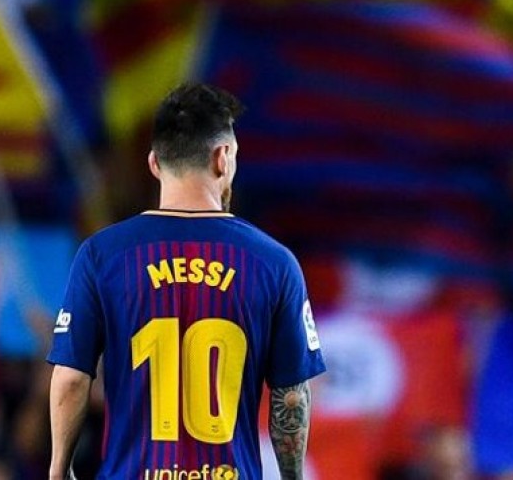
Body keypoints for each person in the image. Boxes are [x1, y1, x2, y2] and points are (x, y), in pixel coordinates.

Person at [47, 83, 326, 479]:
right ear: (223, 158)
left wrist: (59, 470)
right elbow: (291, 396)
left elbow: (72, 378)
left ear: (154, 163)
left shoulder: (101, 255)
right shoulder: (273, 263)